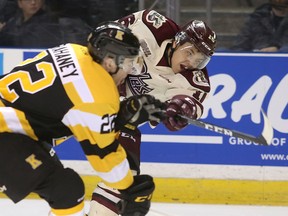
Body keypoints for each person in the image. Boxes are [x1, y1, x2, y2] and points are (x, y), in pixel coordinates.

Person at [0, 21, 164, 216]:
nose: (129, 71)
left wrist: (118, 115)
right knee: (66, 190)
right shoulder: (97, 92)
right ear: (110, 62)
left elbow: (65, 108)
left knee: (62, 187)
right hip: (6, 133)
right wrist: (128, 187)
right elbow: (103, 155)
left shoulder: (74, 51)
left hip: (11, 131)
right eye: (128, 63)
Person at [88, 9, 217, 216]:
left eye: (200, 60)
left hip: (123, 117)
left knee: (125, 177)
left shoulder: (195, 80)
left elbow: (189, 102)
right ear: (177, 41)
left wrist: (180, 108)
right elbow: (106, 38)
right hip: (91, 90)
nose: (192, 63)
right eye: (190, 52)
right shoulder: (152, 25)